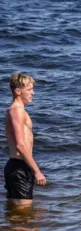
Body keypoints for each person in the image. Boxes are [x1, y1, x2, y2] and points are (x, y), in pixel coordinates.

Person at [5, 72, 46, 207]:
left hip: (19, 166)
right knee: (23, 217)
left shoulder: (18, 109)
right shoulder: (16, 110)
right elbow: (20, 145)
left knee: (17, 214)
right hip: (18, 167)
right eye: (29, 89)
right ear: (18, 91)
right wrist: (37, 171)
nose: (33, 93)